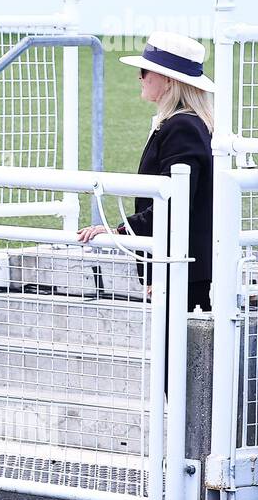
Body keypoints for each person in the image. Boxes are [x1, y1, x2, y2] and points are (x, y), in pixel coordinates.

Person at [77, 32, 214, 312]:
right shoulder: (183, 123)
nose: (140, 77)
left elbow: (175, 202)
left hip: (181, 268)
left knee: (175, 352)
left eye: (145, 71)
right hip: (176, 264)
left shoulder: (181, 127)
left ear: (168, 80)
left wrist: (120, 231)